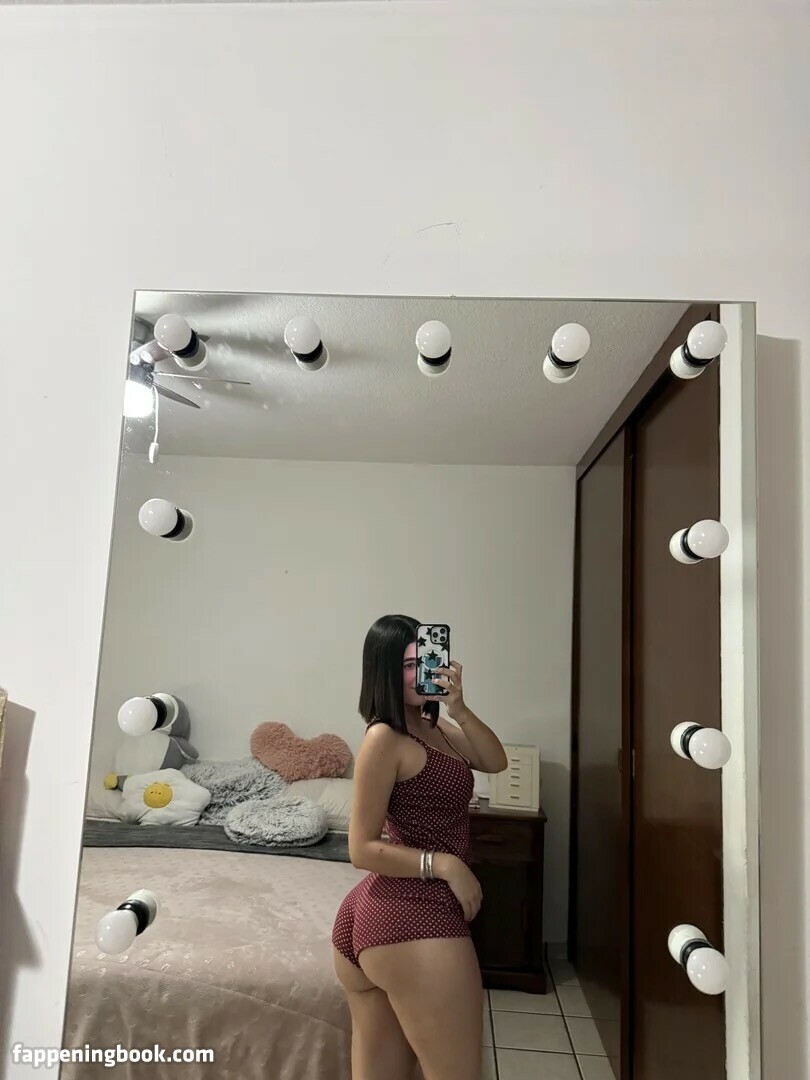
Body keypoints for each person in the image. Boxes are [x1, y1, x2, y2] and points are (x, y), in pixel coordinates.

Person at [332, 614, 509, 1080]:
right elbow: (361, 848)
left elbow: (495, 760)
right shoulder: (384, 737)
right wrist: (447, 865)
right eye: (408, 665)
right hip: (411, 915)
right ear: (384, 672)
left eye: (425, 661)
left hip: (389, 914)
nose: (421, 673)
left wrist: (460, 708)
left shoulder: (436, 729)